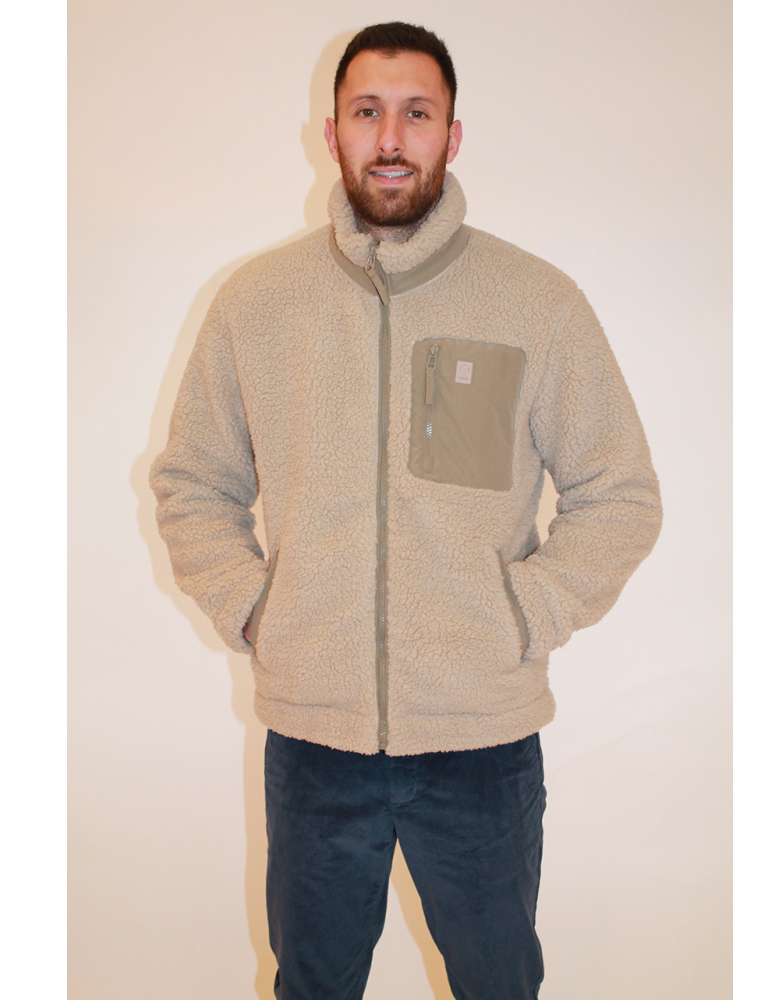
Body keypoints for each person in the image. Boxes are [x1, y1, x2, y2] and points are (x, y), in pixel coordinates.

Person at [150, 21, 662, 1000]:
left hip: (482, 742)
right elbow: (193, 482)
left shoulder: (536, 302)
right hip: (315, 742)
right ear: (331, 133)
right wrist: (256, 608)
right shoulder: (257, 303)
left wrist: (523, 613)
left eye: (416, 113)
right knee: (312, 984)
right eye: (367, 112)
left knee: (497, 984)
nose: (390, 138)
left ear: (452, 135)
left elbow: (619, 492)